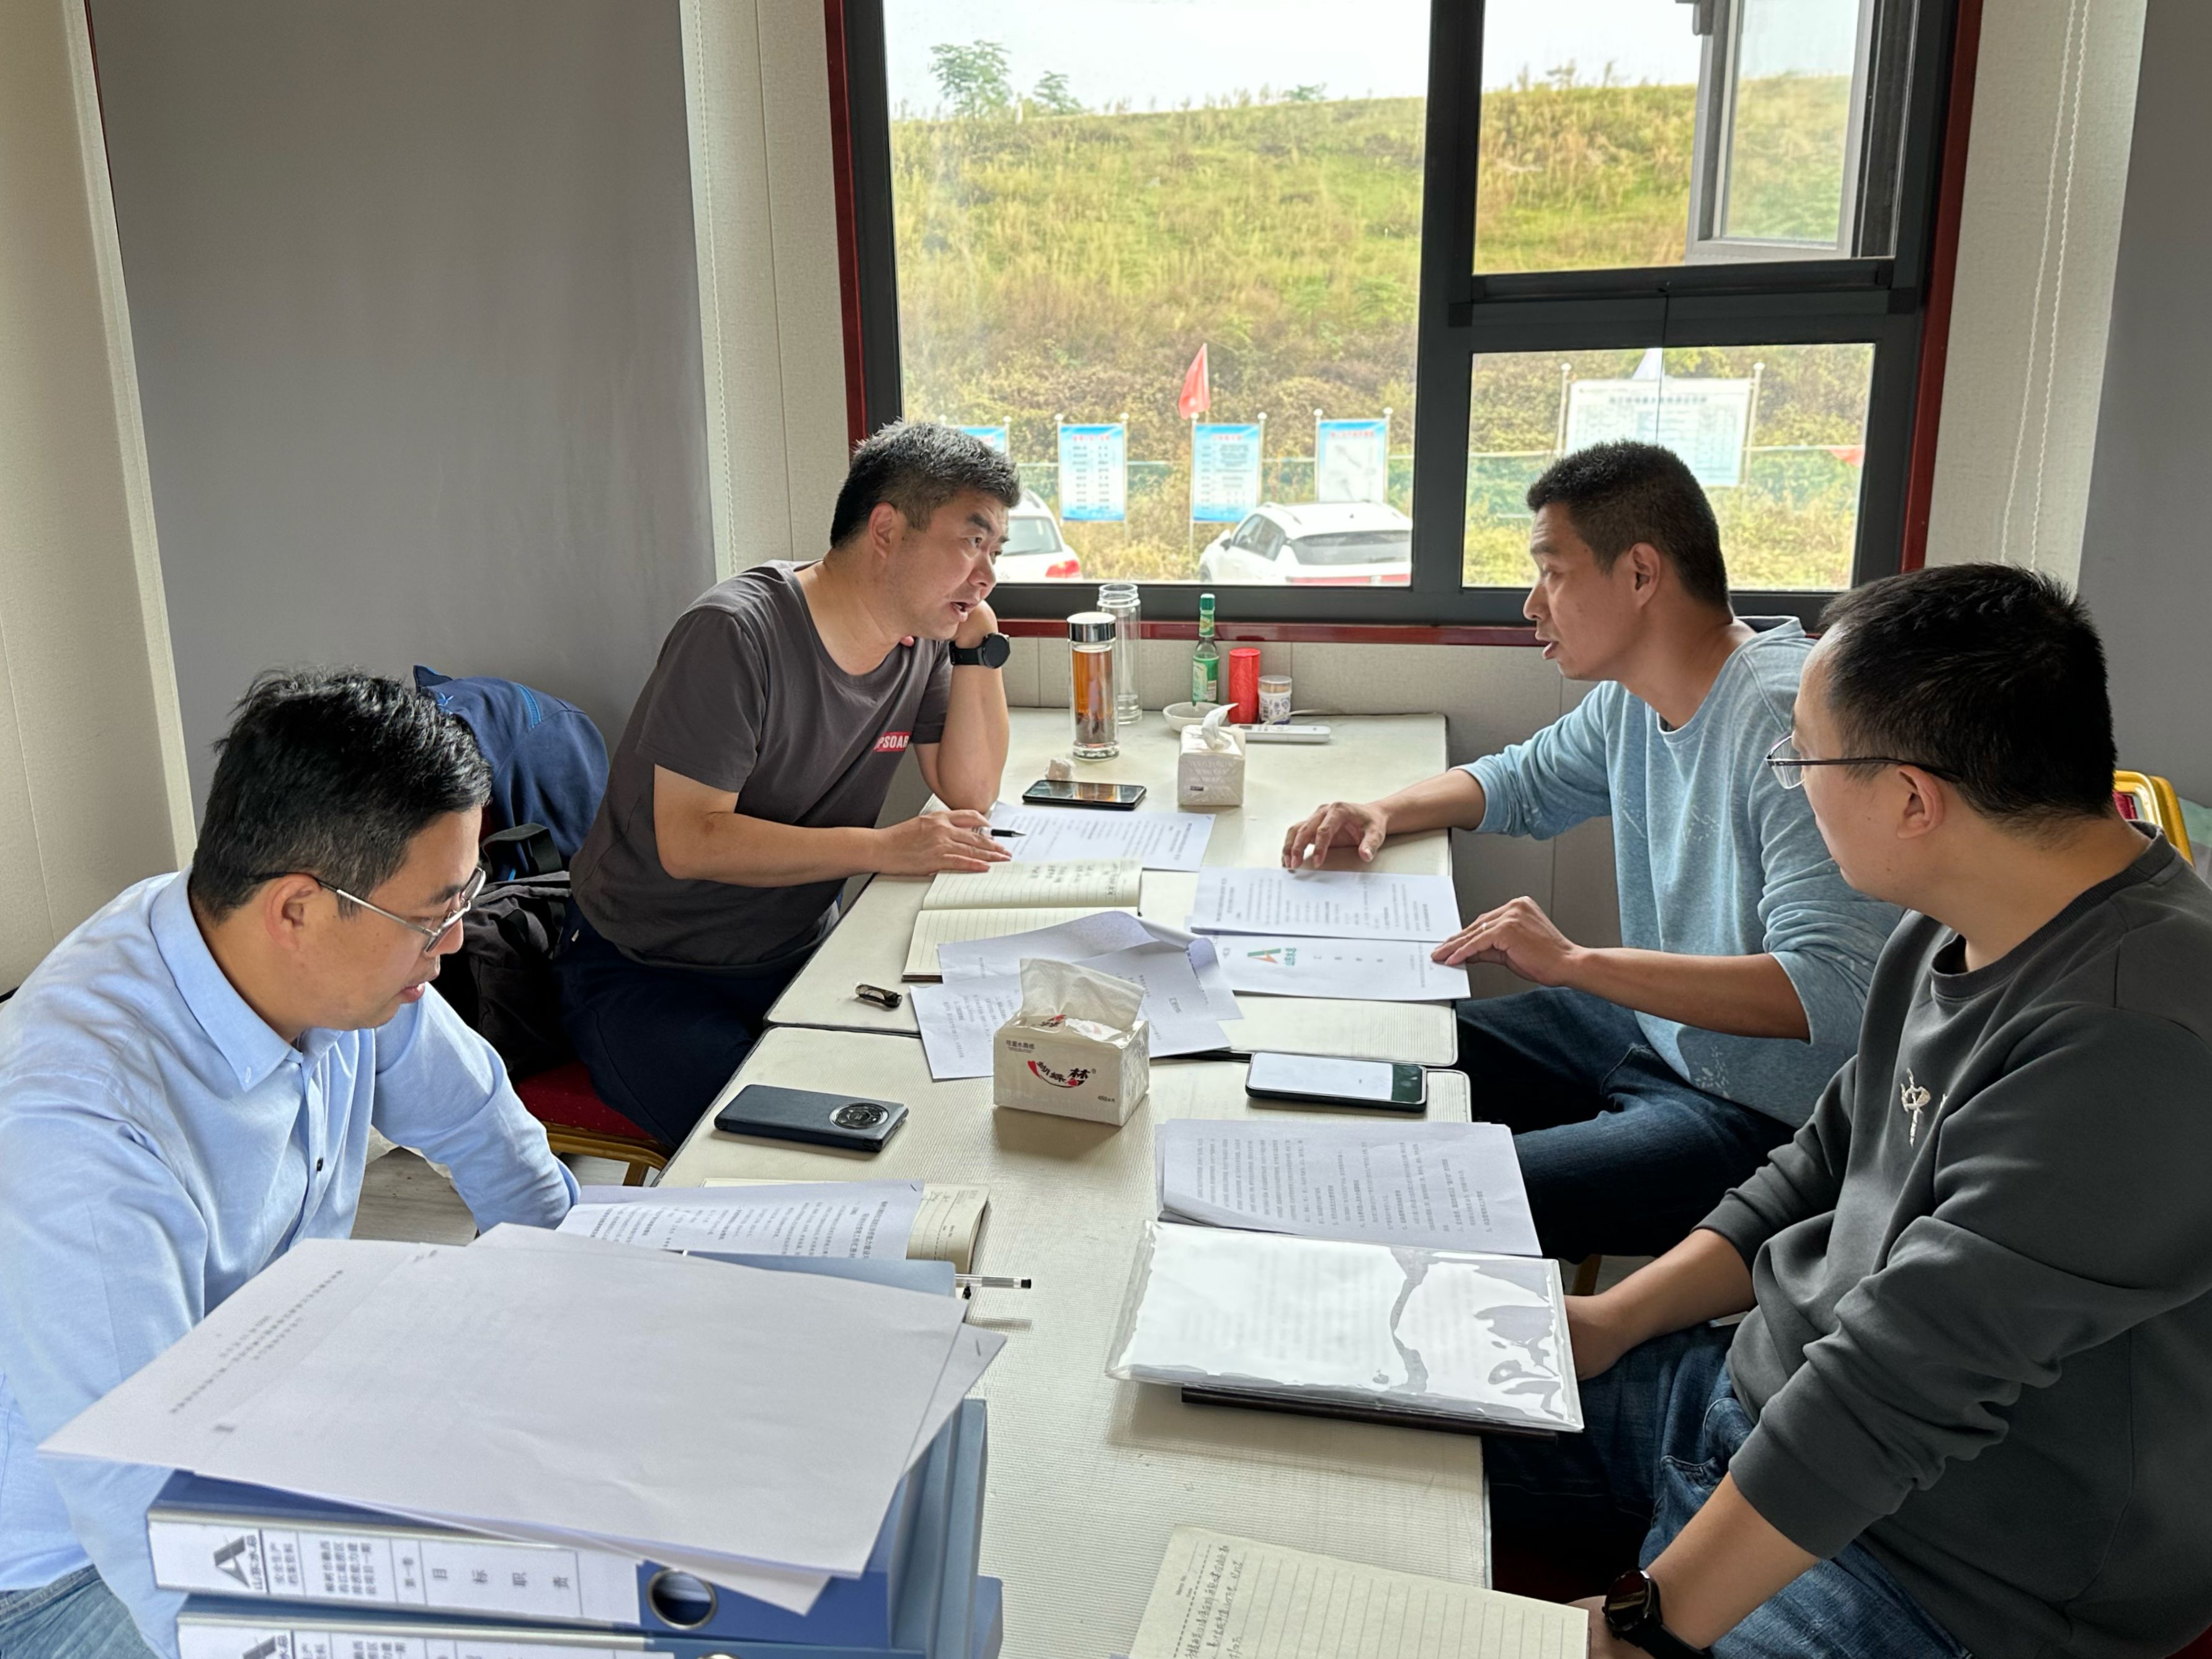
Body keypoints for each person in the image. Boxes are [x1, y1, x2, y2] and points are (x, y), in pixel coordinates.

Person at [1488, 563, 2212, 1659]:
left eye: (1802, 757)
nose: (1791, 781)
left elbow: (1890, 1394)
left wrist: (1644, 1621)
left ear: (1913, 798)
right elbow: (1820, 1163)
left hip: (1938, 1568)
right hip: (1755, 1405)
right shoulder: (1949, 917)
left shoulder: (2133, 1040)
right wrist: (1612, 1319)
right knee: (1353, 1424)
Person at [0, 670, 578, 1659]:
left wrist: (587, 1303)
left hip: (257, 1421)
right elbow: (135, 1496)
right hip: (69, 1567)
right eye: (433, 913)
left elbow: (487, 1129)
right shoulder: (82, 1124)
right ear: (299, 908)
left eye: (464, 897)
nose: (452, 942)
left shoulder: (322, 964)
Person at [1280, 442, 1898, 1260]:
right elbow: (1521, 781)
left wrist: (1576, 962)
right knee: (1372, 1049)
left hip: (1758, 1113)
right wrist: (1381, 811)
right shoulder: (1632, 700)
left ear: (1640, 574)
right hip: (1645, 1030)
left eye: (1552, 572)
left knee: (1428, 1191)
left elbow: (1833, 988)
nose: (1531, 605)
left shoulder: (1785, 721)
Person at [558, 421, 1019, 1146]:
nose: (986, 572)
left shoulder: (922, 638)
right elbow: (690, 841)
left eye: (997, 552)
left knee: (928, 1109)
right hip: (649, 969)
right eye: (972, 542)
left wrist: (975, 645)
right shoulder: (735, 633)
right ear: (886, 530)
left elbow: (970, 791)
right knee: (779, 1150)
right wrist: (880, 848)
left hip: (797, 954)